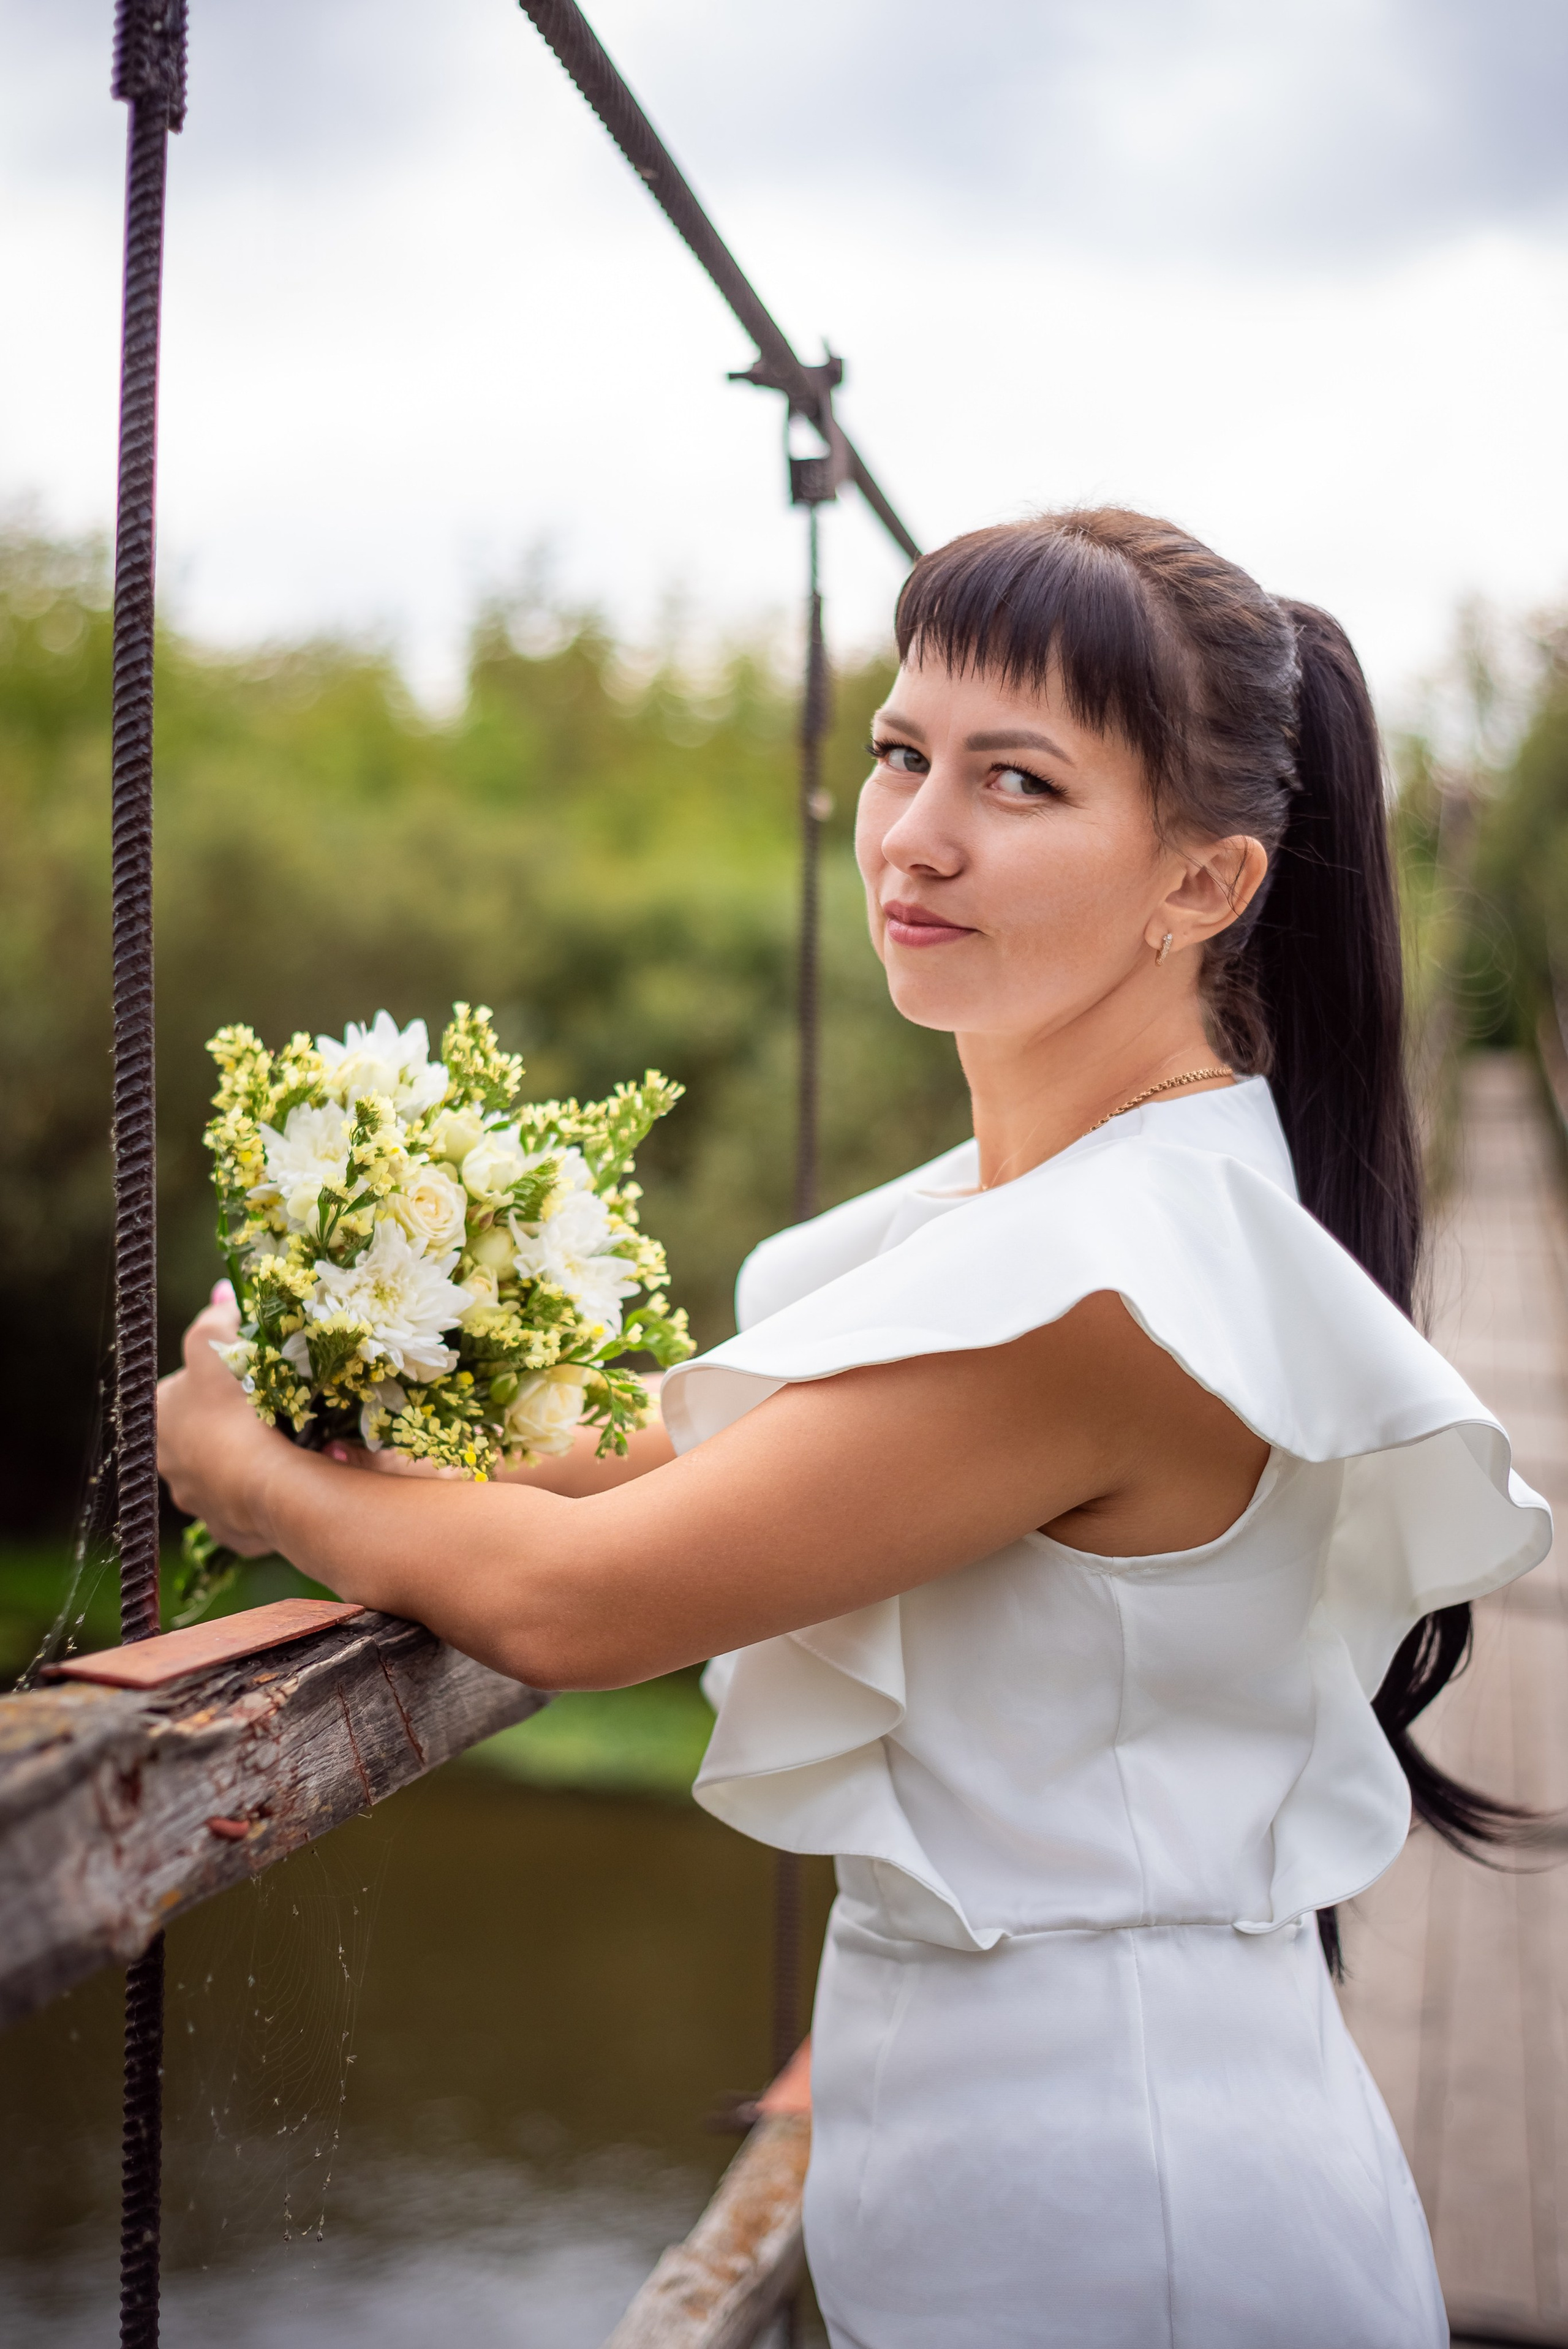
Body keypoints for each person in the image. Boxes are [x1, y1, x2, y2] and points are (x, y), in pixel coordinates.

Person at [159, 508, 1550, 2349]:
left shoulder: (1112, 1286)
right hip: (1033, 2166)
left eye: (1021, 781)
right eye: (903, 753)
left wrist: (244, 1469)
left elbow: (584, 1599)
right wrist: (361, 1371)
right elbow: (650, 1455)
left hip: (1133, 2221)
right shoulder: (1020, 1214)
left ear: (1204, 883)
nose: (918, 832)